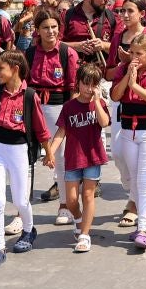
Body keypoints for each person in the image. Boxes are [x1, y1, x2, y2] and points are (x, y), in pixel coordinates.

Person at [0, 51, 51, 269]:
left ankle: (29, 230)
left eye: (0, 68)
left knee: (20, 200)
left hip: (19, 150)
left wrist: (49, 153)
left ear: (15, 69)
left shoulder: (29, 96)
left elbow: (41, 128)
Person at [42, 63, 110, 253]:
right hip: (73, 157)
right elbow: (60, 133)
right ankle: (79, 219)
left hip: (93, 156)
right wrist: (50, 153)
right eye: (86, 84)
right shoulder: (69, 107)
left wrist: (97, 102)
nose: (89, 89)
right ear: (77, 84)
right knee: (71, 199)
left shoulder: (100, 104)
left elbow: (104, 123)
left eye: (94, 85)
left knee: (87, 195)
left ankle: (85, 235)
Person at [111, 33, 146, 249]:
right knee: (134, 180)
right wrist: (128, 75)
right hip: (128, 129)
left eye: (139, 53)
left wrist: (135, 87)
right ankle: (144, 223)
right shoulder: (123, 68)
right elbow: (116, 96)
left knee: (145, 182)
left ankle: (143, 229)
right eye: (132, 52)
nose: (133, 57)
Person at [26, 9, 79, 225]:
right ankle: (23, 211)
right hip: (34, 106)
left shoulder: (67, 53)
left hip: (59, 107)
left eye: (54, 27)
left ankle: (65, 205)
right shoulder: (29, 54)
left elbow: (75, 87)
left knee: (61, 157)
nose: (51, 31)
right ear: (37, 30)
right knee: (28, 155)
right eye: (46, 27)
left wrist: (70, 115)